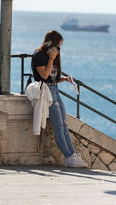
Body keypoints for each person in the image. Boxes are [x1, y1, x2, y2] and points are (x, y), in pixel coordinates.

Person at [31, 30, 87, 168]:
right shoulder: (39, 55)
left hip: (55, 89)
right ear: (50, 43)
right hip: (47, 91)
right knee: (58, 126)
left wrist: (64, 79)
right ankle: (69, 157)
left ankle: (72, 155)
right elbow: (44, 76)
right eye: (57, 46)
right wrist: (51, 58)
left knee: (65, 124)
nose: (58, 50)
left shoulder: (53, 55)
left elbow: (52, 77)